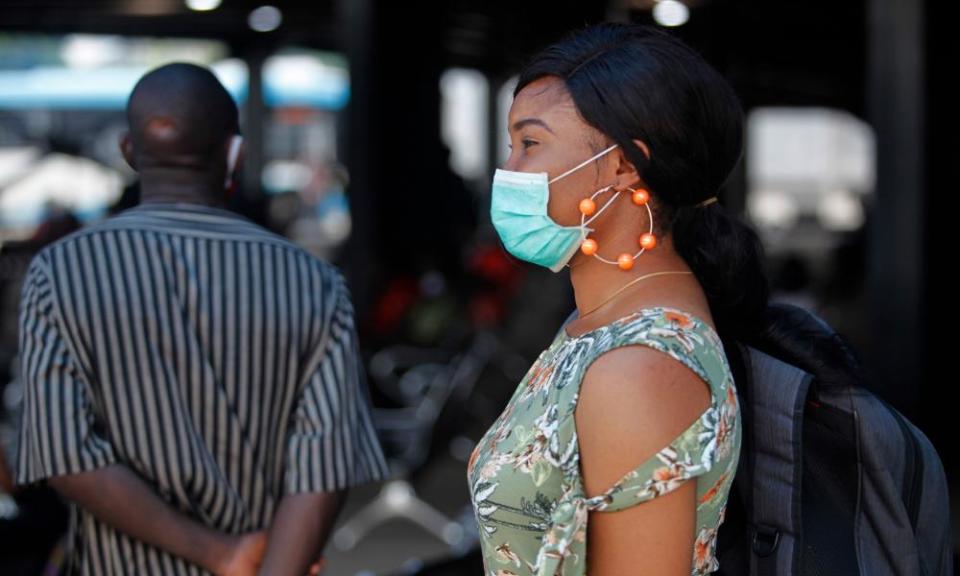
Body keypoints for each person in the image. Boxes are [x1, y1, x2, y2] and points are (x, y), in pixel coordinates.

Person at [14, 62, 388, 576]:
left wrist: (215, 551)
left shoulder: (57, 273)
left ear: (128, 151)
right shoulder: (313, 282)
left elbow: (63, 454)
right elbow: (324, 467)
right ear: (234, 152)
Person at [467, 22, 770, 575]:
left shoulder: (636, 367)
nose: (508, 172)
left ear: (626, 165)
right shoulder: (603, 322)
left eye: (530, 144)